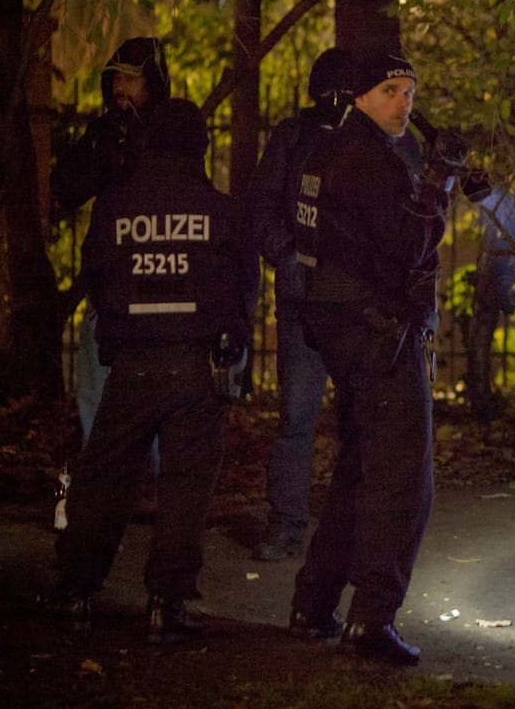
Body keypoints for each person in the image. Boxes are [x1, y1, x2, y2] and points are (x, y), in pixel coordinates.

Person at [50, 99, 259, 644]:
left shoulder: (115, 208)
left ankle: (75, 591)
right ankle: (167, 602)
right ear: (198, 147)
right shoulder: (221, 211)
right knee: (185, 486)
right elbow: (245, 286)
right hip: (196, 364)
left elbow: (96, 272)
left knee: (104, 480)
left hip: (133, 363)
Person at [286, 50, 452, 666]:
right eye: (390, 90)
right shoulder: (366, 160)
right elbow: (410, 244)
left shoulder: (321, 152)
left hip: (342, 330)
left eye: (410, 90)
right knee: (402, 478)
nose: (404, 102)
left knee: (359, 467)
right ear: (358, 96)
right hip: (378, 336)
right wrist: (437, 184)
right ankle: (371, 619)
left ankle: (315, 603)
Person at [247, 48, 353, 561]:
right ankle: (288, 524)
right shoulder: (294, 136)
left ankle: (333, 526)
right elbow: (262, 207)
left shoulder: (361, 138)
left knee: (338, 417)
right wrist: (287, 260)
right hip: (306, 300)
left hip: (348, 303)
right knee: (298, 415)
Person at [52, 36, 171, 446]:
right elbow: (65, 188)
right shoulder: (103, 132)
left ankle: (151, 484)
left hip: (156, 279)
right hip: (106, 280)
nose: (122, 88)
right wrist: (102, 162)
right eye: (117, 79)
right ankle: (98, 480)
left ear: (152, 83)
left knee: (153, 389)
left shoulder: (171, 132)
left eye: (132, 80)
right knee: (95, 386)